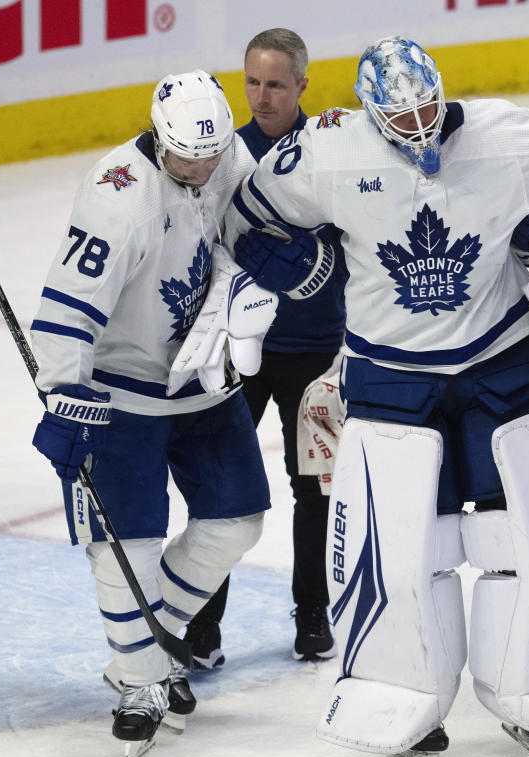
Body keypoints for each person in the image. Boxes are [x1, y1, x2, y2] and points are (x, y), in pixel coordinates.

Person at [171, 35, 529, 757]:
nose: (419, 124)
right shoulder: (327, 150)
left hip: (501, 361)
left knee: (527, 530)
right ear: (368, 109)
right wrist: (263, 274)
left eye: (427, 104)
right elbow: (249, 213)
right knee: (400, 546)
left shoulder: (502, 133)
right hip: (391, 372)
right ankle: (400, 682)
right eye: (400, 111)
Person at [29, 70, 270, 757]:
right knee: (126, 541)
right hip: (122, 389)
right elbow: (69, 307)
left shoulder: (228, 157)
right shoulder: (120, 197)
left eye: (212, 153)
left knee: (238, 517)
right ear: (160, 140)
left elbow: (258, 223)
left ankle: (152, 640)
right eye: (186, 155)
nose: (200, 167)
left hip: (200, 378)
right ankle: (140, 679)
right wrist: (66, 402)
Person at [183, 28, 345, 669]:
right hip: (237, 353)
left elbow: (354, 243)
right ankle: (204, 622)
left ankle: (313, 615)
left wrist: (306, 265)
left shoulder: (330, 152)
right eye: (252, 82)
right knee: (222, 489)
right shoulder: (221, 155)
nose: (261, 95)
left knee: (315, 490)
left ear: (303, 85)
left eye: (276, 84)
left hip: (314, 350)